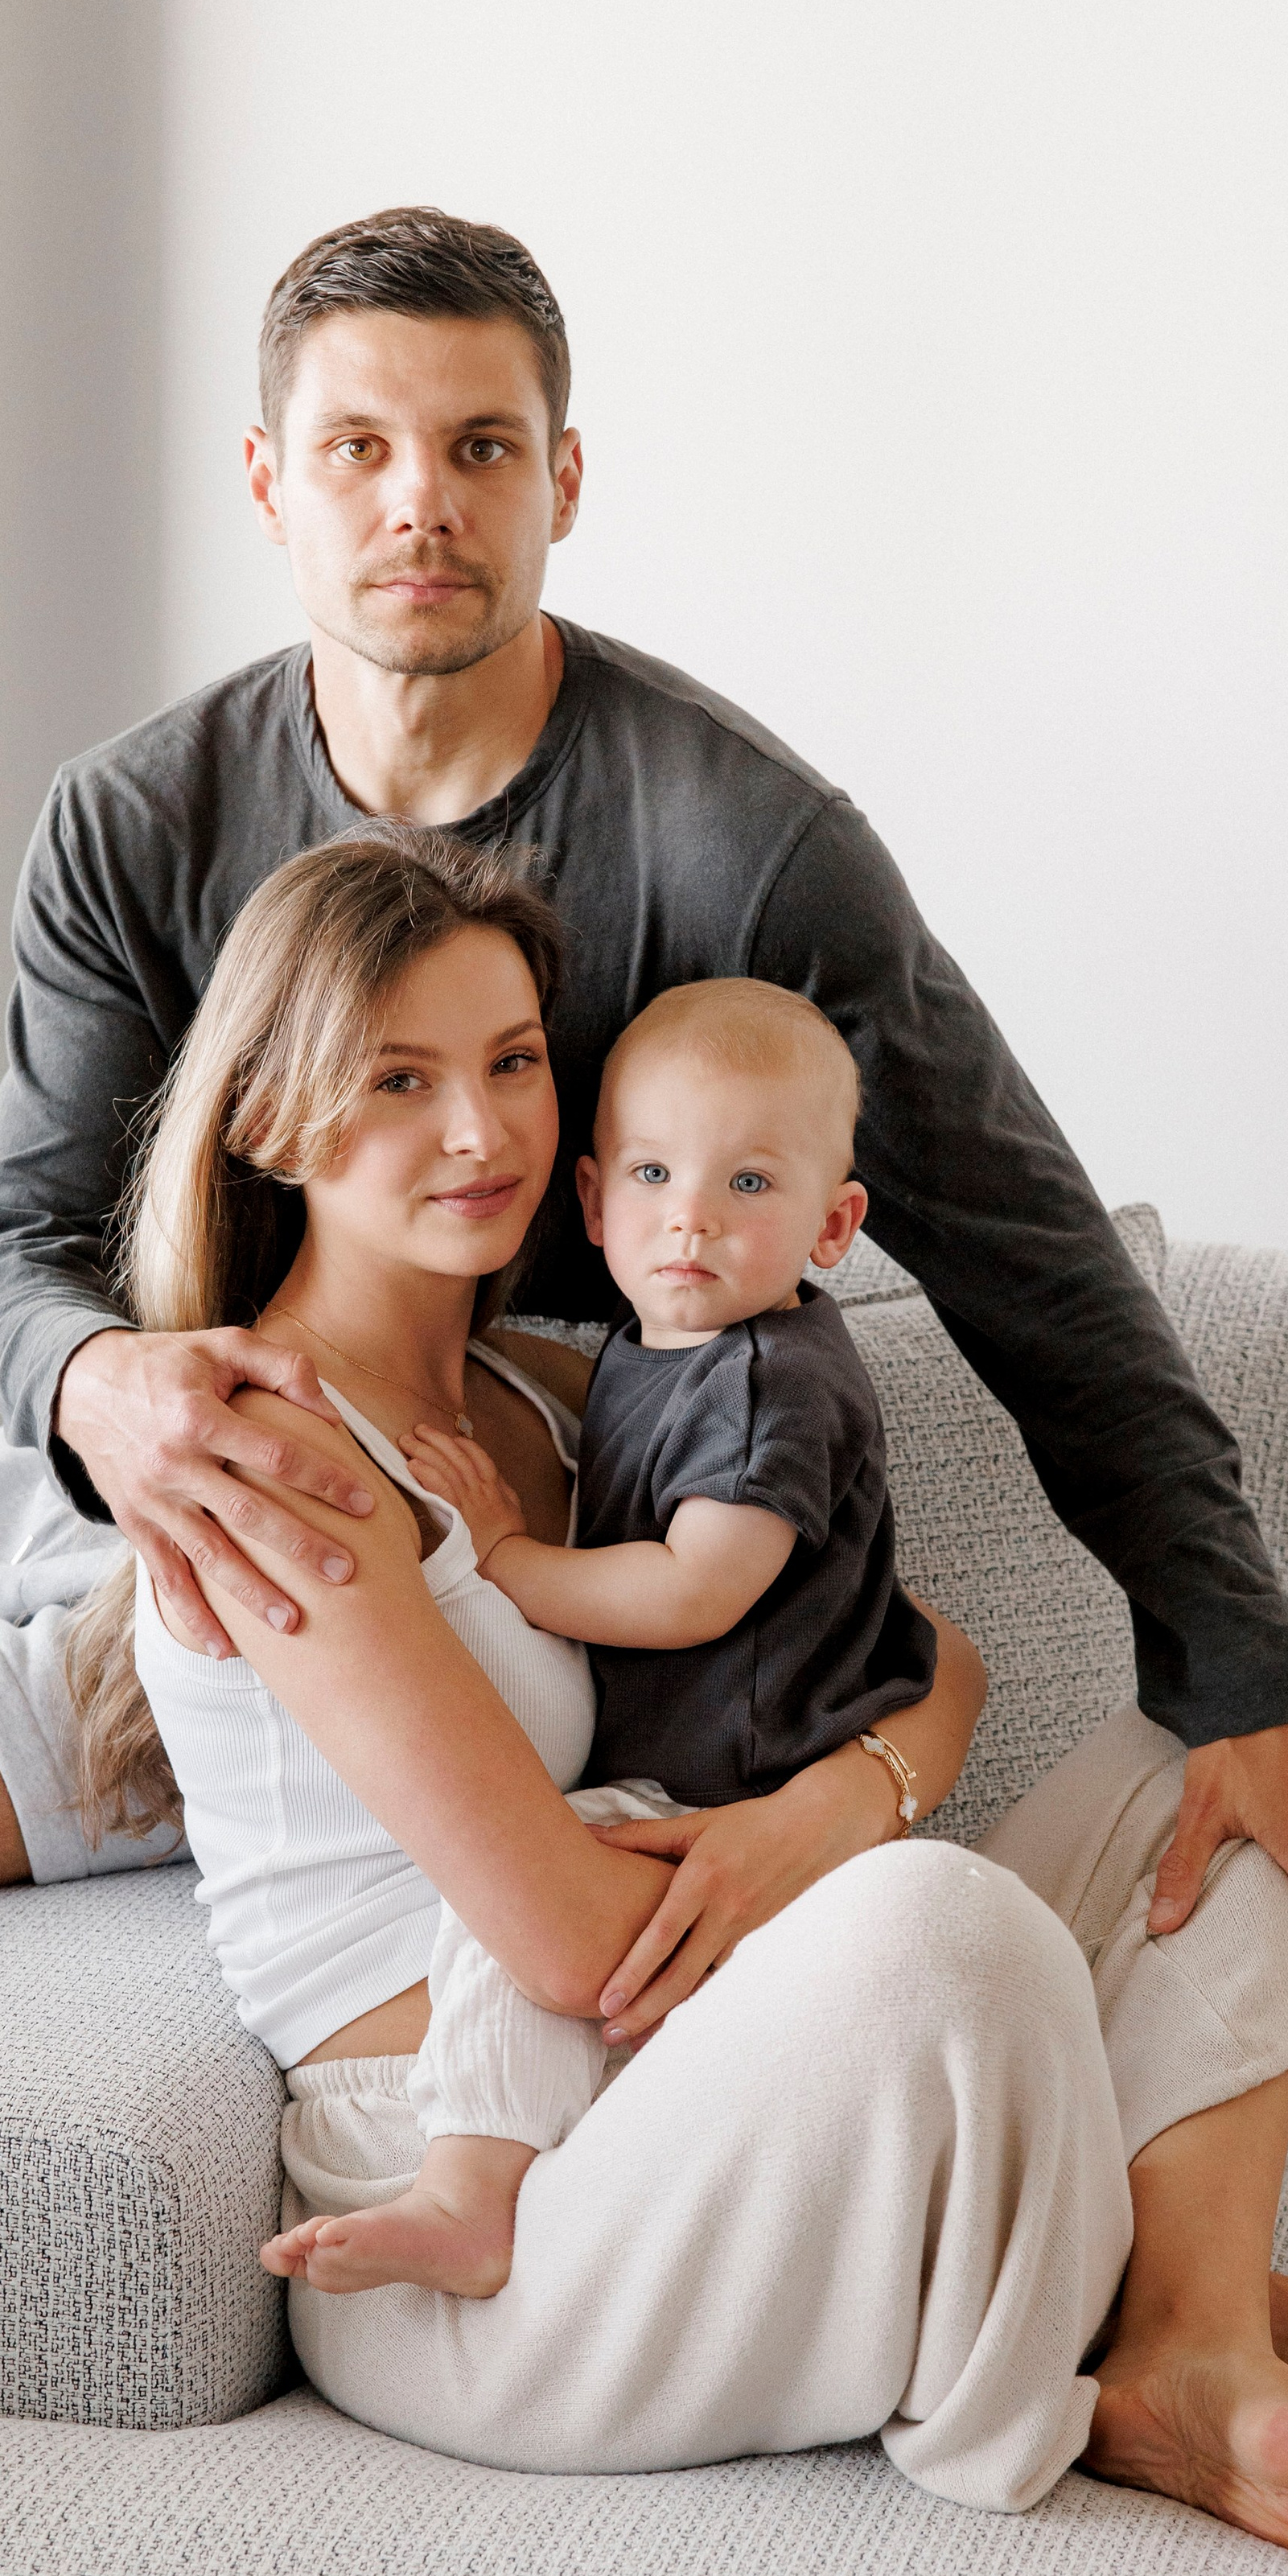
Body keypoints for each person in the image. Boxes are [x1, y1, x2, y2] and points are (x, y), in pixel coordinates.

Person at [0, 207, 1288, 2381]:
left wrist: (1257, 1657)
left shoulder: (743, 844)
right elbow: (17, 1249)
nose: (419, 505)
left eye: (479, 447)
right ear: (272, 484)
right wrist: (102, 1392)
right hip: (160, 1418)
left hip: (528, 1470)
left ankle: (1101, 2284)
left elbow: (1040, 1269)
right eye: (358, 450)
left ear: (564, 478)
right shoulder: (130, 824)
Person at [72, 818, 1288, 2547]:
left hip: (682, 2065)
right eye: (399, 1079)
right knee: (941, 1933)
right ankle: (1089, 2337)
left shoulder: (562, 1397)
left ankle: (1182, 2323)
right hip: (494, 2207)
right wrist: (845, 1848)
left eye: (509, 1064)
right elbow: (570, 1943)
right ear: (274, 1116)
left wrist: (823, 1814)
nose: (479, 1129)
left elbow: (932, 1664)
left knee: (1210, 1770)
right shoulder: (265, 1453)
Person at [274, 971, 948, 2296]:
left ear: (834, 1224)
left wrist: (513, 1559)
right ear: (595, 1200)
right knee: (510, 1902)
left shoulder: (763, 1379)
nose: (689, 1216)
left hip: (726, 1775)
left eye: (750, 1185)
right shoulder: (636, 1354)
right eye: (652, 1172)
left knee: (512, 1898)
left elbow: (699, 1592)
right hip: (655, 1844)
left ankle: (472, 2193)